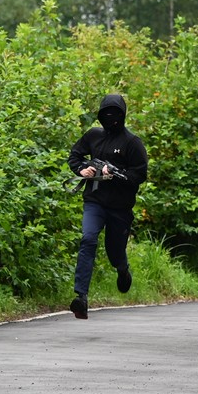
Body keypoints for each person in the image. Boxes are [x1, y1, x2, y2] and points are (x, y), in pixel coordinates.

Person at [67, 93, 148, 319]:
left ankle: (122, 270)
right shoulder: (93, 135)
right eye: (107, 114)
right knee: (88, 239)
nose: (111, 118)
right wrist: (83, 169)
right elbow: (75, 155)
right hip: (94, 202)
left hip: (120, 208)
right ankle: (81, 297)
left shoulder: (132, 143)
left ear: (123, 115)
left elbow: (140, 175)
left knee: (115, 252)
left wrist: (115, 173)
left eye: (115, 114)